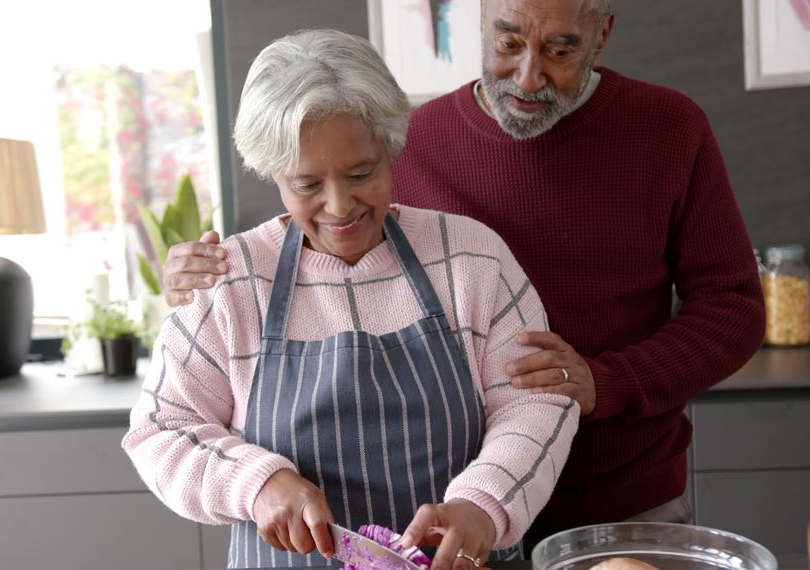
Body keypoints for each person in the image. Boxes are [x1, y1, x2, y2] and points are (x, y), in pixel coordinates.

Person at [161, 0, 765, 549]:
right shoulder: (412, 139)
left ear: (601, 35)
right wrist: (194, 293)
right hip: (468, 523)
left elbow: (733, 308)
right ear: (480, 20)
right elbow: (324, 229)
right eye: (508, 44)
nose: (528, 77)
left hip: (613, 498)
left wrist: (603, 385)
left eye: (560, 50)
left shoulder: (668, 130)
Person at [122, 29, 579, 570]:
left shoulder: (471, 256)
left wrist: (482, 505)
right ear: (272, 172)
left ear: (390, 148)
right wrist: (256, 483)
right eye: (307, 184)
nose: (339, 207)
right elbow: (162, 430)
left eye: (361, 174)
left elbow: (536, 402)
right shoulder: (229, 280)